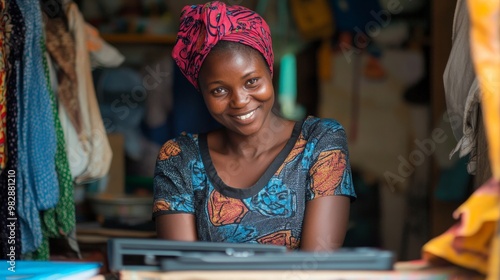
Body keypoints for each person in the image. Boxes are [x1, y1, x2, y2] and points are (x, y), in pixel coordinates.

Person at [153, 1, 356, 251]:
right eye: (219, 90)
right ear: (202, 92)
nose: (239, 101)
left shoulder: (320, 142)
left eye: (251, 81)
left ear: (270, 71)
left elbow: (316, 267)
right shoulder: (180, 158)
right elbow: (182, 269)